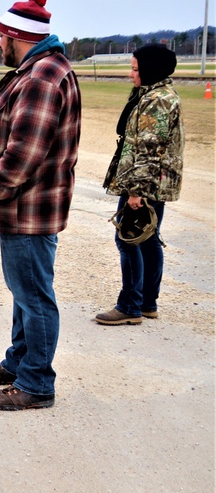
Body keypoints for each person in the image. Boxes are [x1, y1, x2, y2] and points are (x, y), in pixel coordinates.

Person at [0, 0, 81, 411]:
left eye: (1, 37)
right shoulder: (42, 69)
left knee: (33, 296)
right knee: (24, 293)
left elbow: (22, 156)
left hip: (27, 209)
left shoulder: (40, 78)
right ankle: (19, 362)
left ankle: (36, 383)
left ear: (18, 36)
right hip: (27, 210)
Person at [95, 44, 182, 325]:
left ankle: (130, 305)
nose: (131, 73)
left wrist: (136, 192)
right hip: (155, 182)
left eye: (135, 68)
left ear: (150, 70)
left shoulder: (156, 100)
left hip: (145, 184)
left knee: (128, 239)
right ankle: (147, 302)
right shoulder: (155, 94)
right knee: (147, 239)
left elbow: (149, 148)